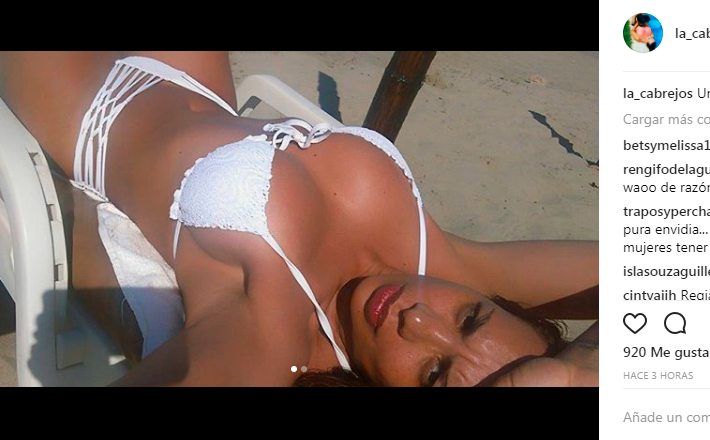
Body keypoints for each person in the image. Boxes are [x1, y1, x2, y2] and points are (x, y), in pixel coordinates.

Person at [0, 51, 598, 386]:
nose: (420, 320)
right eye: (470, 319)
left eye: (433, 375)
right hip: (197, 78)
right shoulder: (449, 265)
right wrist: (576, 372)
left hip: (80, 96)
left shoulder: (273, 334)